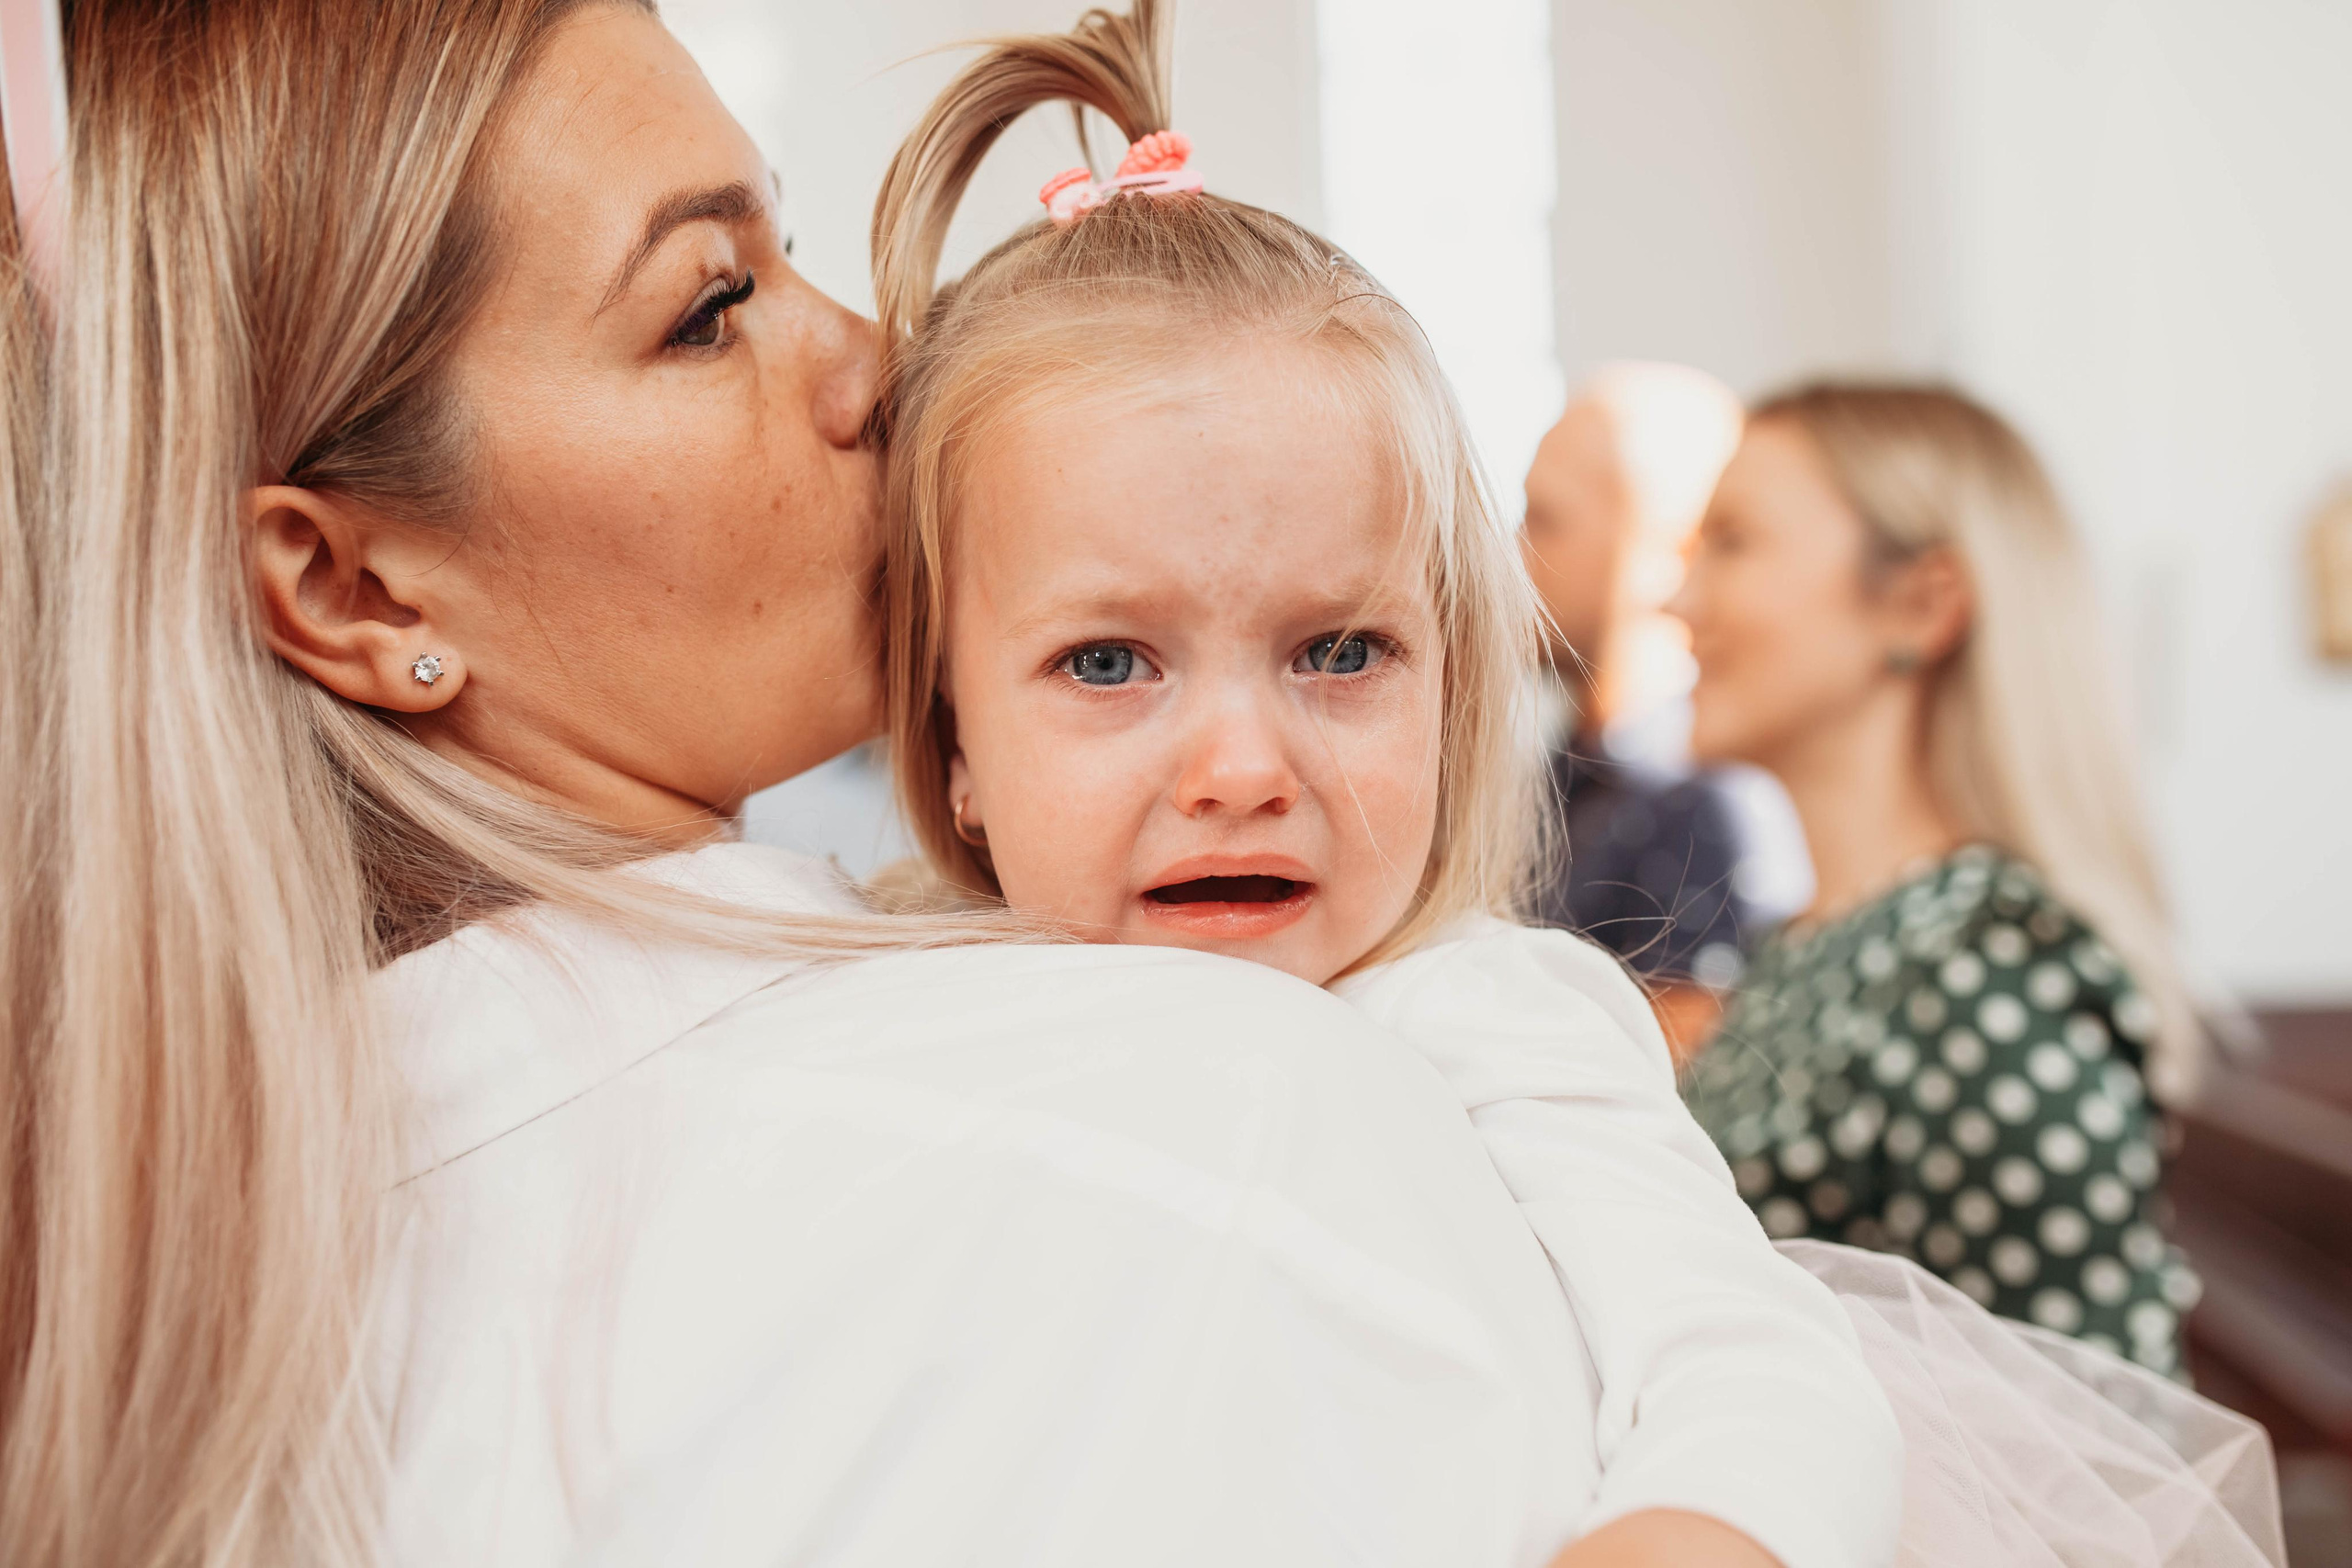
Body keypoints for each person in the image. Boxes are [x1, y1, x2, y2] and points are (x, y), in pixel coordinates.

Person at [0, 4, 1648, 1565]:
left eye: (1338, 651)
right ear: (358, 592)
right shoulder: (1218, 1113)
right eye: (711, 308)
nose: (873, 358)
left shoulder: (226, 1279)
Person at [863, 18, 2286, 1568]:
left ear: (1457, 676)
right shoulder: (911, 997)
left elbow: (1753, 1362)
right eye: (1108, 663)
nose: (1241, 769)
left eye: (1339, 651)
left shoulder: (1484, 1012)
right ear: (949, 748)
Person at [1671, 382, 2207, 1377]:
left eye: (1732, 544)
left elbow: (2085, 1452)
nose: (1678, 599)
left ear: (1921, 603)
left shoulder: (1983, 972)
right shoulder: (1817, 943)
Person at [1520, 367, 1751, 1053]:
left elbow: (1678, 1107)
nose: (1510, 552)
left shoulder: (1700, 804)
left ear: (1668, 547)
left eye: (1545, 519)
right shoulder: (1563, 778)